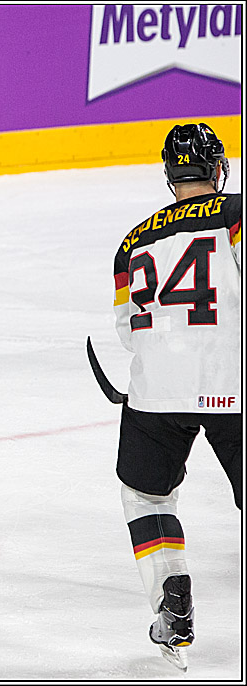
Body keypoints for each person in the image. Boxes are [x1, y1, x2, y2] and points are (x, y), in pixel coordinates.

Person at [111, 122, 241, 671]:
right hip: (231, 384)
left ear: (170, 175)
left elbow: (125, 329)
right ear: (217, 168)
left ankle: (172, 603)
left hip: (155, 392)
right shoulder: (236, 214)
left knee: (146, 498)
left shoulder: (132, 241)